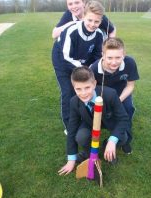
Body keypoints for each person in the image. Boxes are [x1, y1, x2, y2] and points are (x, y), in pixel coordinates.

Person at [58, 66, 132, 175]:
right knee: (81, 136)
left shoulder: (110, 94)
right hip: (89, 122)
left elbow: (123, 118)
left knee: (123, 137)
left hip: (109, 120)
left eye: (87, 87)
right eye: (78, 89)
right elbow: (72, 129)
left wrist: (112, 140)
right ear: (73, 88)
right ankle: (88, 153)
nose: (83, 93)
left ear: (94, 84)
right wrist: (71, 159)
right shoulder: (74, 102)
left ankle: (107, 146)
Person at [52, 1, 105, 132]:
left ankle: (89, 116)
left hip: (82, 62)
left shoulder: (99, 34)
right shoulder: (71, 30)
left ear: (101, 21)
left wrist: (91, 70)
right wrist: (84, 69)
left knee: (88, 87)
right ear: (84, 16)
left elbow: (98, 56)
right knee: (69, 91)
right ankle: (70, 125)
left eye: (96, 22)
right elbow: (66, 57)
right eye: (90, 20)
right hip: (62, 61)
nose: (92, 24)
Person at [90, 37, 139, 120]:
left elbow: (130, 86)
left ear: (123, 55)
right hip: (103, 95)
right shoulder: (94, 69)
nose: (114, 62)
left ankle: (125, 129)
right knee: (101, 114)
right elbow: (90, 89)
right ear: (103, 55)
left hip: (121, 93)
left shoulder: (130, 62)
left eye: (118, 57)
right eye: (109, 58)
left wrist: (118, 102)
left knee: (127, 108)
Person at [52, 0, 116, 40]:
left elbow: (112, 30)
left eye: (77, 2)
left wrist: (109, 46)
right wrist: (72, 23)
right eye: (70, 4)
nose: (74, 6)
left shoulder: (94, 14)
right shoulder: (68, 14)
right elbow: (54, 35)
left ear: (83, 3)